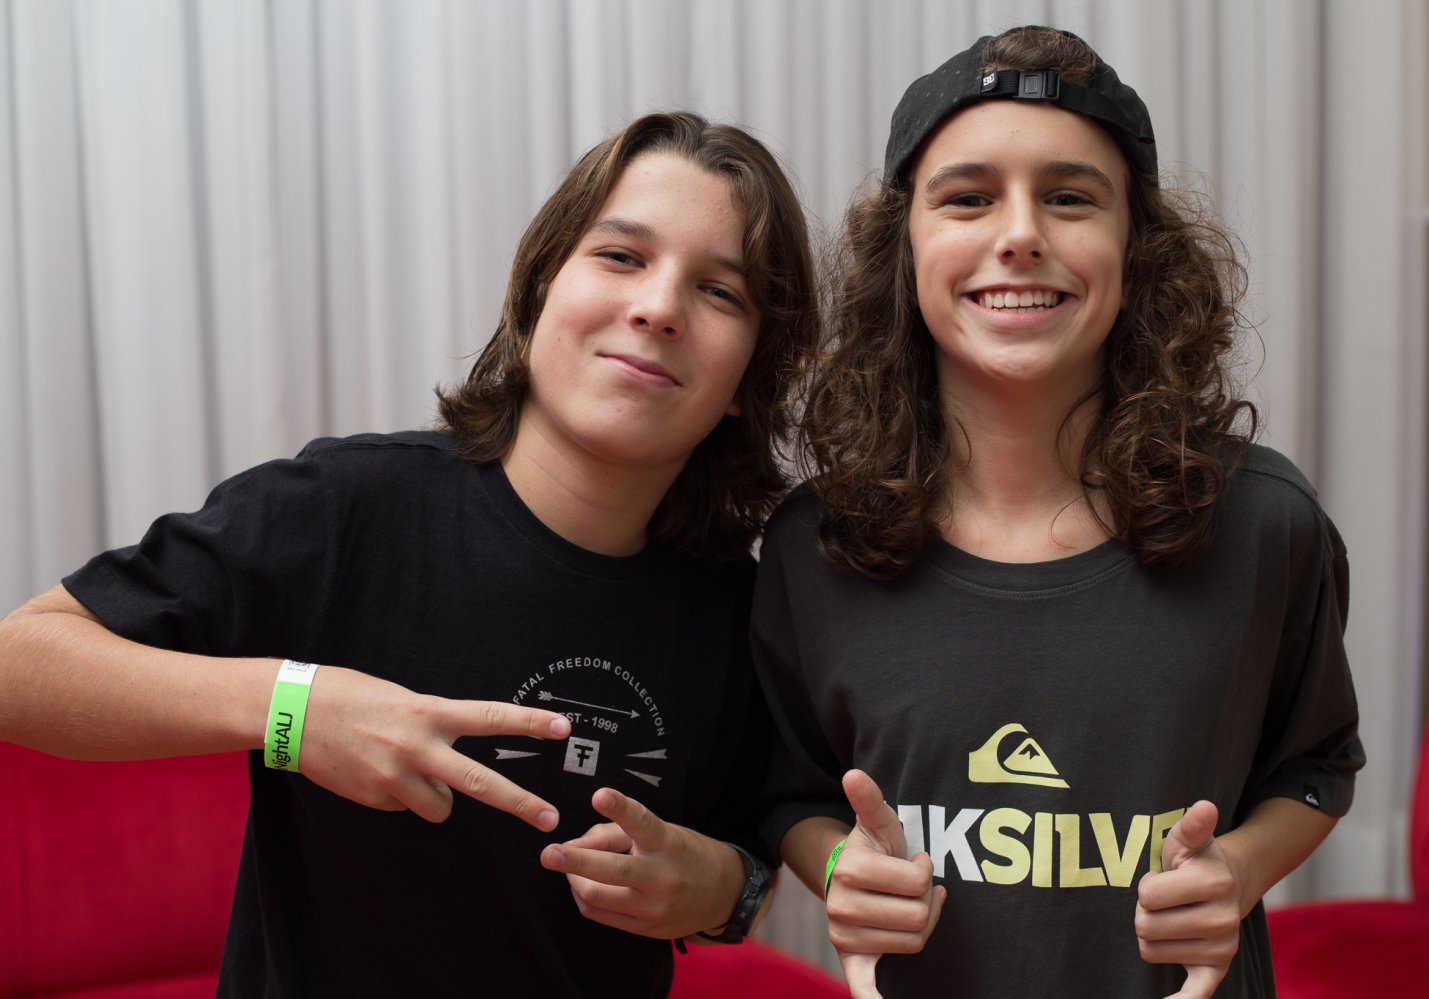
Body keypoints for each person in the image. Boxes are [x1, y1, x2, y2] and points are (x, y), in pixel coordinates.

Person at [0, 111, 818, 997]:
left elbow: (748, 858)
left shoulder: (738, 609)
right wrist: (295, 707)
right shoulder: (346, 507)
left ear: (748, 380)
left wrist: (723, 891)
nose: (658, 308)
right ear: (538, 289)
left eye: (719, 292)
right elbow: (20, 663)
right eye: (621, 255)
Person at [752, 26, 1363, 999]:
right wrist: (837, 868)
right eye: (968, 197)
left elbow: (1318, 763)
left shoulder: (1264, 524)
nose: (1020, 234)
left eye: (1071, 197)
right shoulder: (813, 544)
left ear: (1137, 248)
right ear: (903, 247)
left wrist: (1240, 871)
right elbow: (792, 790)